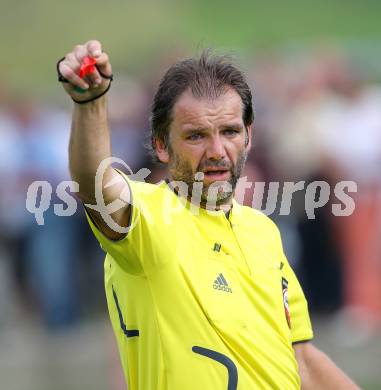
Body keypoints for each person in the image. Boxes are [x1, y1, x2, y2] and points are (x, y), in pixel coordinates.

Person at [58, 40, 358, 389]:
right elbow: (94, 183)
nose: (217, 151)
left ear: (248, 135)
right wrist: (90, 103)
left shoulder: (262, 230)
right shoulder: (149, 218)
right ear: (160, 145)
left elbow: (301, 357)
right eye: (196, 136)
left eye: (229, 131)